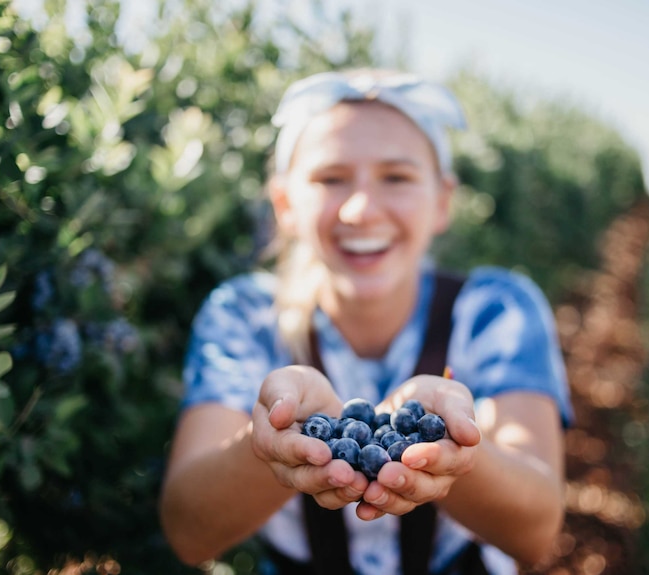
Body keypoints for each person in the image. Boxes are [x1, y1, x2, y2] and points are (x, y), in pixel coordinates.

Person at [158, 69, 574, 575]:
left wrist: (455, 455)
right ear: (285, 204)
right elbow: (187, 532)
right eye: (331, 179)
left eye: (396, 178)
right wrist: (267, 445)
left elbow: (536, 533)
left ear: (442, 200)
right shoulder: (243, 317)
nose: (360, 209)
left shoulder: (495, 312)